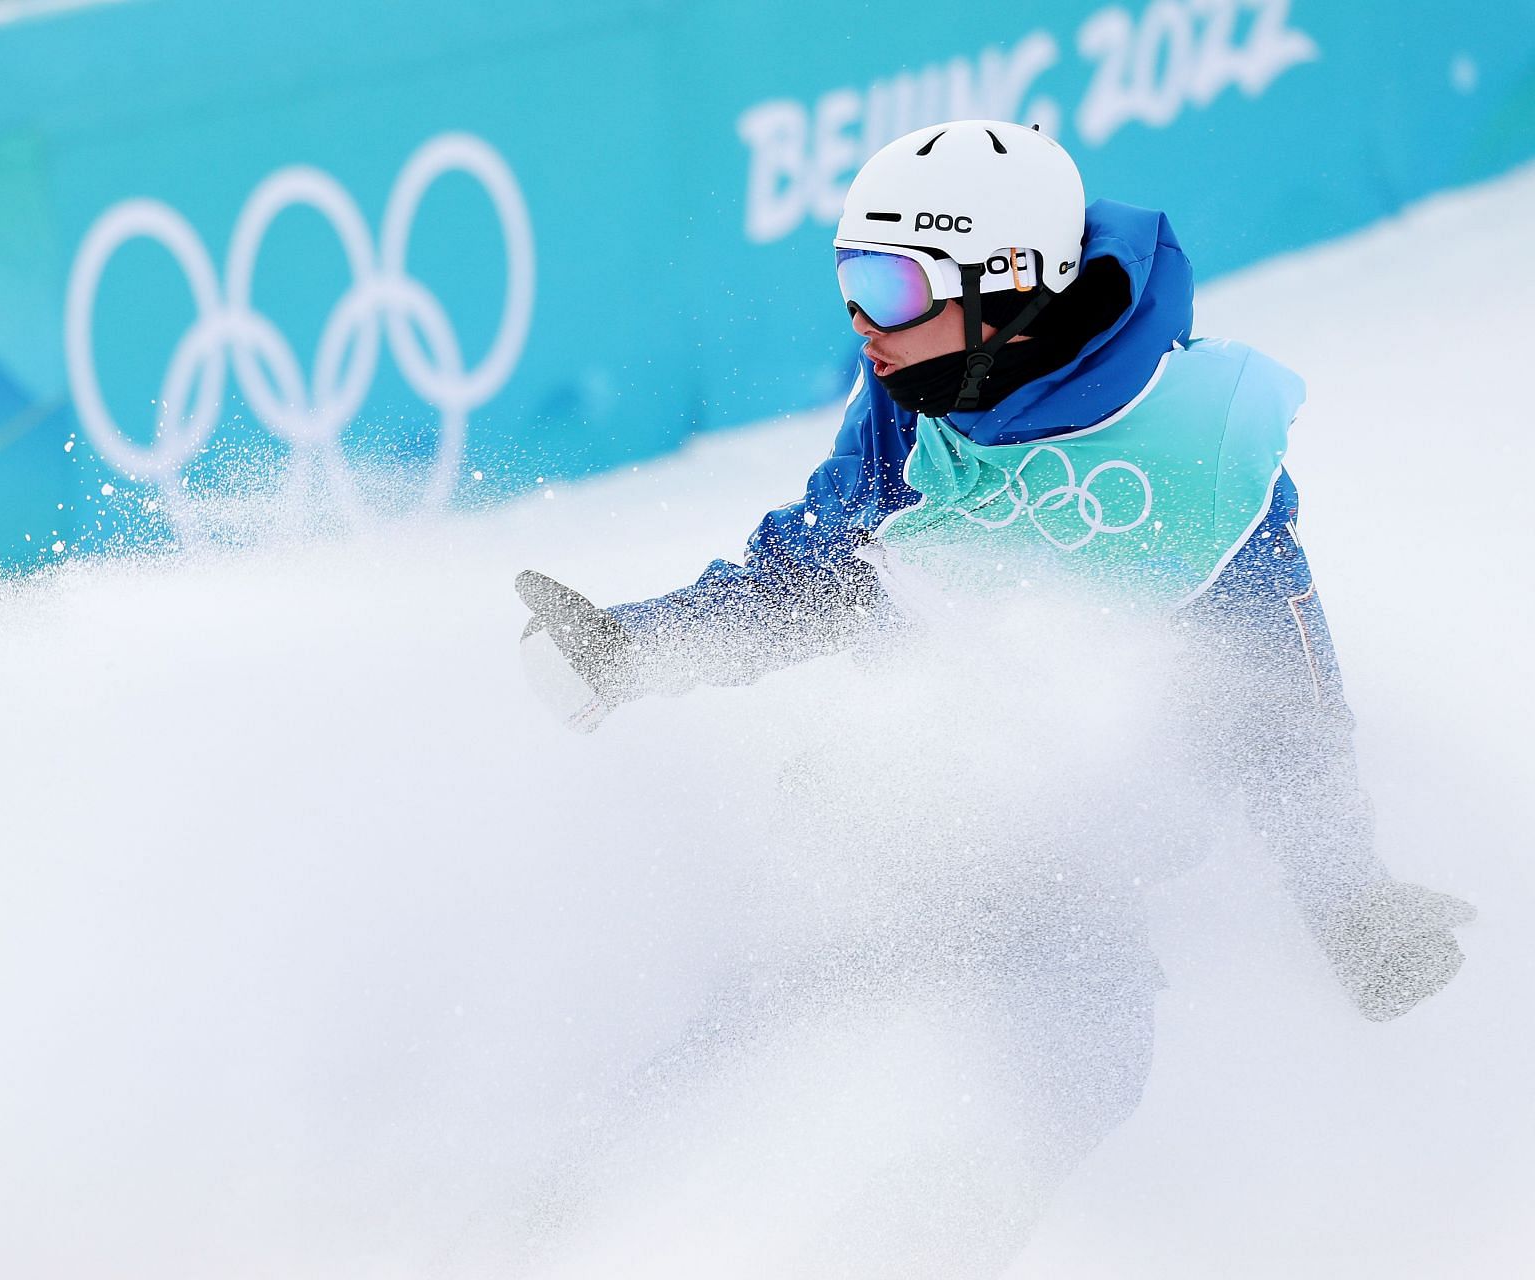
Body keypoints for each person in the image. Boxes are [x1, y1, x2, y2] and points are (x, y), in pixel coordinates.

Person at [515, 120, 1469, 1063]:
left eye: (888, 286)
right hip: (905, 809)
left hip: (1086, 869)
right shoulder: (917, 397)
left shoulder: (1195, 458)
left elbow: (1280, 711)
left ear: (1007, 281)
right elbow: (816, 576)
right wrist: (635, 649)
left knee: (1044, 1071)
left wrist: (1350, 904)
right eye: (851, 279)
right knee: (768, 1010)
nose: (859, 322)